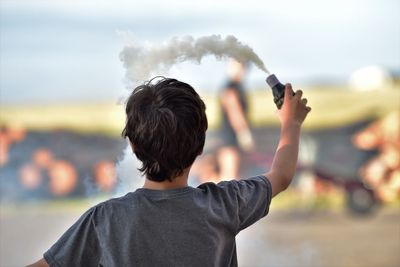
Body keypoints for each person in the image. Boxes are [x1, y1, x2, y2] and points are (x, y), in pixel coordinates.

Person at [28, 77, 310, 267]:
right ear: (200, 146)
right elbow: (282, 175)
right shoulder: (224, 204)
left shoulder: (105, 219)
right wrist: (291, 123)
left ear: (134, 146)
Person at [217, 59, 254, 181]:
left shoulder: (236, 87)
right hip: (230, 138)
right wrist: (244, 133)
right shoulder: (231, 88)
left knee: (233, 176)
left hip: (231, 138)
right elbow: (235, 113)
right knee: (230, 176)